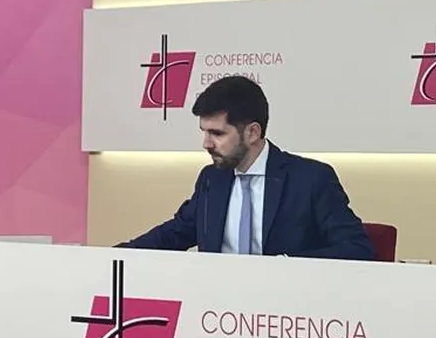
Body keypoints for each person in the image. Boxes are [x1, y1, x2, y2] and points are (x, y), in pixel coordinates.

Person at [116, 76, 376, 260]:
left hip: (287, 310)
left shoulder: (310, 179)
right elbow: (175, 233)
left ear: (252, 132)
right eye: (204, 132)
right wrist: (113, 255)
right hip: (215, 309)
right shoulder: (211, 179)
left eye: (217, 133)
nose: (206, 144)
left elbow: (356, 248)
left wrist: (286, 266)